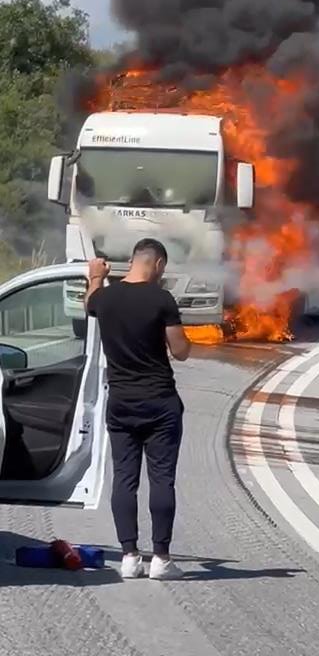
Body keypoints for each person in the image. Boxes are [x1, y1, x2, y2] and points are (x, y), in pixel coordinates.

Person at [85, 238, 191, 580]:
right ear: (157, 264)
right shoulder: (162, 300)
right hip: (160, 404)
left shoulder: (106, 298)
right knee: (162, 479)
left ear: (132, 261)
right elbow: (181, 351)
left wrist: (95, 277)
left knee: (124, 480)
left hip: (121, 403)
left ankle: (129, 556)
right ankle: (161, 558)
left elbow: (90, 304)